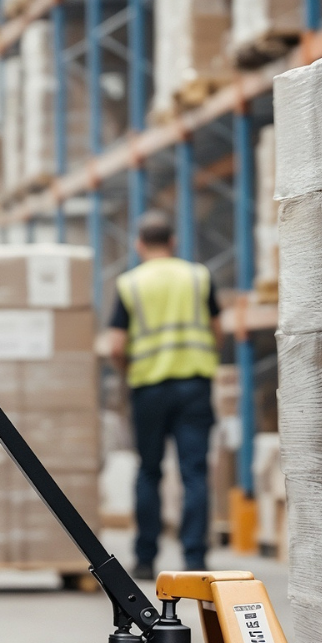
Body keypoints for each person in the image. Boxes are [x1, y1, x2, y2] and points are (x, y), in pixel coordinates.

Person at [105, 211, 223, 581]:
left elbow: (116, 344)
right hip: (194, 385)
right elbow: (217, 329)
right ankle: (195, 558)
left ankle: (144, 558)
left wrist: (130, 373)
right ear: (173, 242)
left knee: (149, 471)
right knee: (195, 472)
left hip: (149, 388)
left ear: (140, 244)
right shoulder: (198, 276)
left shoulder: (130, 284)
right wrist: (203, 359)